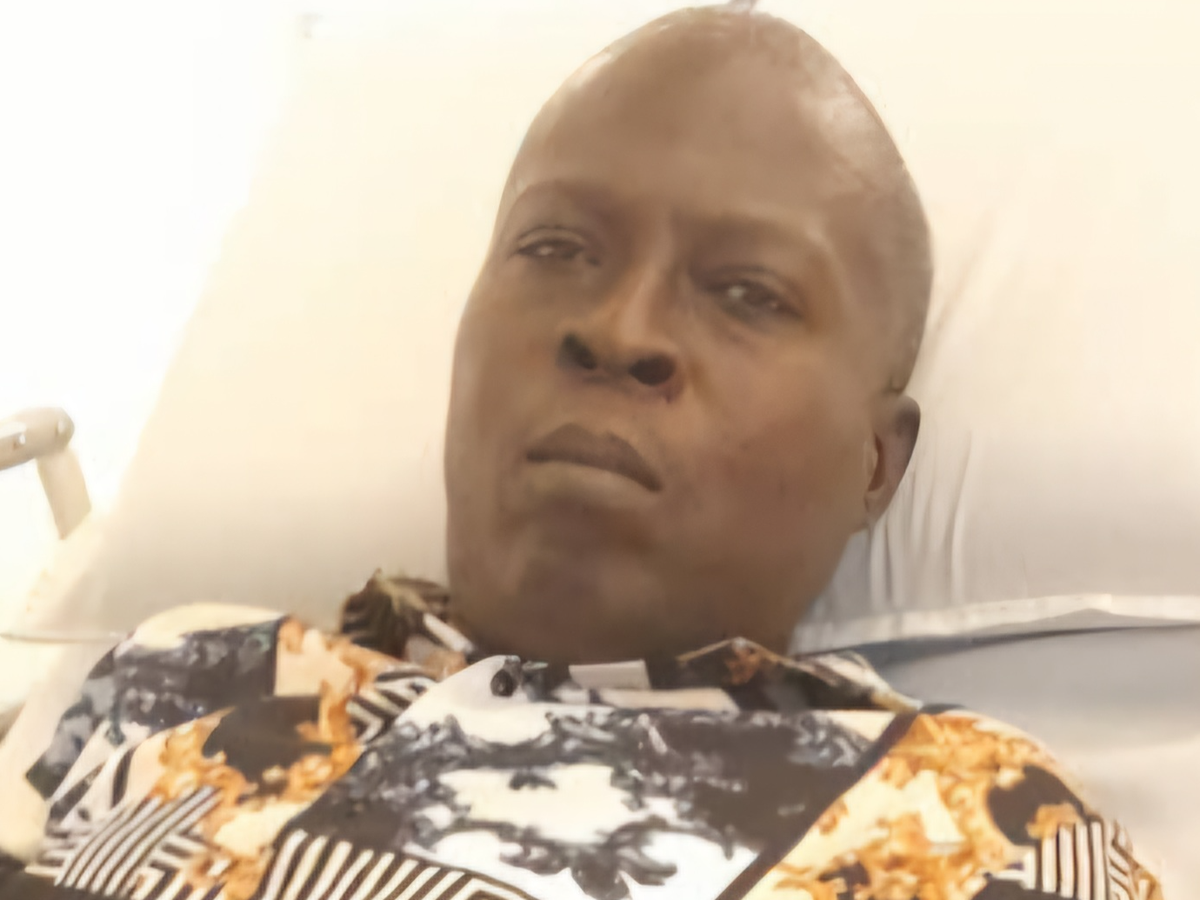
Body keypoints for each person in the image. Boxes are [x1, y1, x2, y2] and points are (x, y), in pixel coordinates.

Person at [0, 6, 1163, 900]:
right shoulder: (178, 673)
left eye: (749, 293)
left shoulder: (983, 824)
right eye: (556, 248)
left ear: (877, 462)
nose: (618, 328)